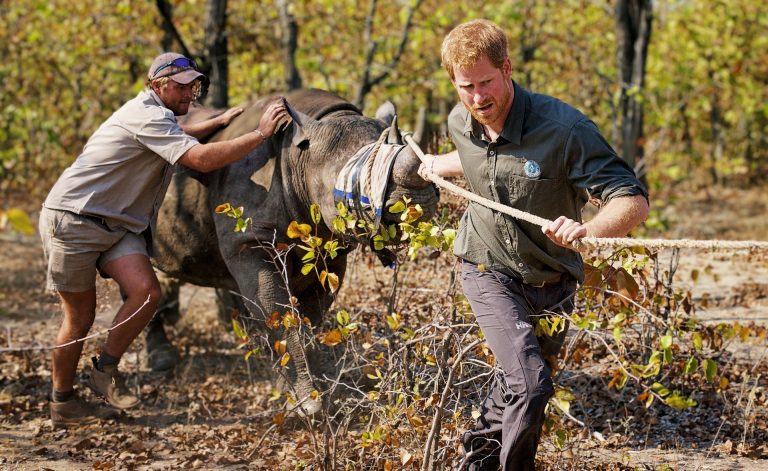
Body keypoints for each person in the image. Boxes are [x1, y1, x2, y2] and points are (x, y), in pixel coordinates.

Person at [419, 20, 649, 470]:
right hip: (487, 267)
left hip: (553, 278)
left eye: (486, 82)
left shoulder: (564, 130)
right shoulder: (459, 122)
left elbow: (632, 200)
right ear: (453, 82)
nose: (478, 97)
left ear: (507, 69)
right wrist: (428, 165)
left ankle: (477, 462)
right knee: (530, 382)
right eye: (466, 87)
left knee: (517, 385)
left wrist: (591, 231)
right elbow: (473, 159)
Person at [39, 52, 288, 427]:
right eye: (183, 85)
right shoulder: (146, 114)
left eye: (195, 84)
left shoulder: (157, 117)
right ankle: (63, 403)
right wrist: (260, 134)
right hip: (74, 220)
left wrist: (218, 121)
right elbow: (201, 160)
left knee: (147, 293)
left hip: (117, 225)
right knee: (80, 318)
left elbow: (176, 135)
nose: (192, 92)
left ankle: (103, 370)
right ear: (158, 86)